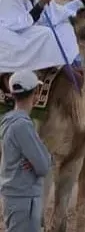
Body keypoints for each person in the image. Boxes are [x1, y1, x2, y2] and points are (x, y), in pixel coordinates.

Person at [0, 0, 79, 74]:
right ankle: (63, 69)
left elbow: (57, 12)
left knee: (65, 27)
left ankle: (67, 63)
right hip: (10, 39)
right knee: (45, 34)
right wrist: (41, 4)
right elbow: (17, 24)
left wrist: (75, 16)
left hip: (30, 36)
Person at [0, 71, 52, 232]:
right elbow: (43, 166)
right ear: (35, 94)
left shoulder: (10, 121)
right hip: (25, 197)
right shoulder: (23, 126)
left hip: (16, 196)